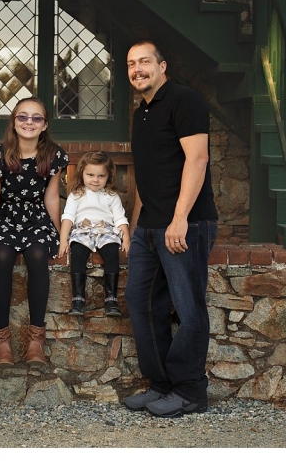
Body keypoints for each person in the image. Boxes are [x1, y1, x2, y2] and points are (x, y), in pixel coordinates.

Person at [123, 41, 218, 418]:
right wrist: (135, 227)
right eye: (131, 64)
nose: (137, 69)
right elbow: (147, 176)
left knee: (188, 307)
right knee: (142, 302)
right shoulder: (141, 112)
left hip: (186, 224)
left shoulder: (184, 100)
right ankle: (161, 383)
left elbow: (197, 159)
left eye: (144, 61)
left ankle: (191, 390)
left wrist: (179, 219)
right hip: (149, 227)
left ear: (162, 65)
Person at [0, 97, 68, 367]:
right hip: (6, 216)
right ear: (14, 122)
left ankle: (35, 342)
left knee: (37, 254)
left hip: (37, 218)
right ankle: (3, 343)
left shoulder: (53, 154)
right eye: (22, 117)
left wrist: (58, 235)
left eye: (36, 118)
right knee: (3, 256)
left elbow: (52, 198)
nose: (29, 122)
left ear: (44, 125)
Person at [58, 150, 130, 317]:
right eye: (90, 175)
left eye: (101, 176)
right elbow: (68, 217)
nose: (95, 180)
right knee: (77, 251)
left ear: (108, 176)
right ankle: (78, 299)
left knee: (112, 251)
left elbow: (120, 219)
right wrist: (63, 240)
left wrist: (126, 238)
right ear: (82, 173)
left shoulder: (111, 196)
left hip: (105, 230)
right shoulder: (77, 195)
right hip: (82, 230)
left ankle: (111, 299)